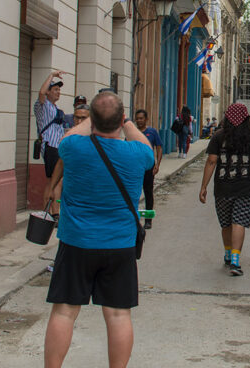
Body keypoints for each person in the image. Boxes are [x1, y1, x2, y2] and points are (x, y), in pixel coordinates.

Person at [43, 91, 154, 368]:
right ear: (121, 120)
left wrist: (93, 117)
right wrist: (126, 123)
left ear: (92, 119)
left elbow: (69, 135)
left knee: (65, 312)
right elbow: (148, 149)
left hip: (76, 242)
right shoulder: (137, 154)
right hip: (119, 245)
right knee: (118, 315)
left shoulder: (74, 148)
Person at [199, 103, 250, 276]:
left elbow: (211, 161)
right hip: (247, 187)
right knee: (239, 222)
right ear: (247, 118)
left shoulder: (218, 136)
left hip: (223, 188)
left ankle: (228, 253)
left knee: (226, 223)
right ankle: (236, 261)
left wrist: (204, 186)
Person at [35, 71, 66, 216]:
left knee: (55, 180)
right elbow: (41, 92)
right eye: (55, 89)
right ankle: (53, 213)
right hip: (50, 147)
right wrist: (52, 75)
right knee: (55, 181)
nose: (58, 92)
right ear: (48, 92)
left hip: (58, 147)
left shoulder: (55, 109)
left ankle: (51, 212)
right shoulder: (43, 106)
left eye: (59, 90)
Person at [135, 109, 163, 229]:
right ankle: (134, 219)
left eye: (141, 118)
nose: (139, 120)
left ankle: (148, 220)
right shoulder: (133, 132)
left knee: (148, 193)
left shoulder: (152, 132)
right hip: (135, 168)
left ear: (146, 119)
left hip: (148, 168)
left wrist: (157, 164)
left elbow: (159, 147)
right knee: (134, 193)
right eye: (137, 118)